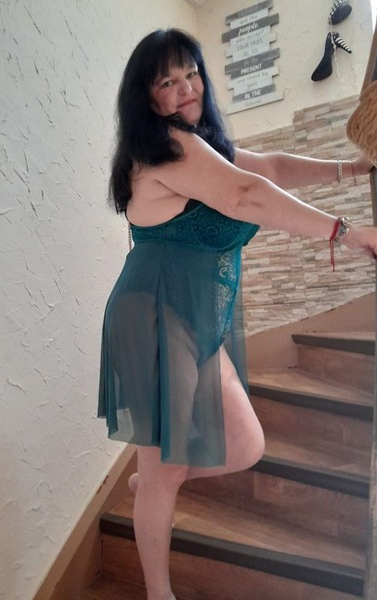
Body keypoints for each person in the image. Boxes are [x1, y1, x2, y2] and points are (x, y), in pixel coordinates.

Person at [97, 28, 376, 600]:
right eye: (167, 82)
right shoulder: (164, 148)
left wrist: (349, 170)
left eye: (191, 74)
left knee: (246, 445)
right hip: (154, 318)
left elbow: (268, 165)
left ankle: (154, 483)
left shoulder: (199, 146)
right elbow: (245, 195)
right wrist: (344, 231)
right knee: (165, 468)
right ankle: (158, 589)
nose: (186, 89)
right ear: (146, 97)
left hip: (194, 319)